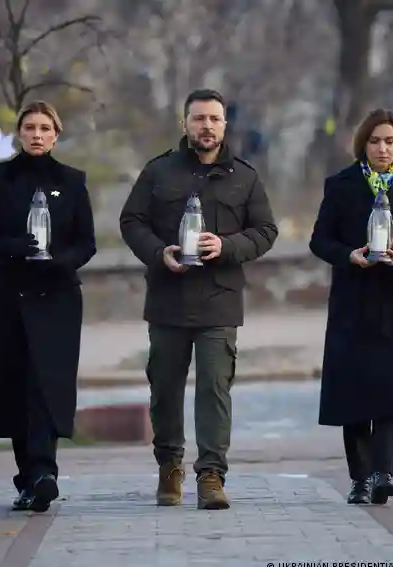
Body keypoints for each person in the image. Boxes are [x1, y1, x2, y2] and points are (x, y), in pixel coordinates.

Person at [119, 88, 278, 510]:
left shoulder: (245, 176)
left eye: (214, 119)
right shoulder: (158, 171)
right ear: (185, 123)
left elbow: (266, 231)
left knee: (214, 389)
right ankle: (169, 467)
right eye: (199, 118)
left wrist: (226, 246)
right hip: (168, 299)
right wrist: (159, 252)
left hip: (219, 300)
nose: (207, 126)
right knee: (165, 390)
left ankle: (211, 475)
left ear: (225, 125)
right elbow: (131, 221)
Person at [0, 100, 96, 512]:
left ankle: (43, 472)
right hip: (8, 296)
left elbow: (86, 243)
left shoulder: (72, 181)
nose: (37, 134)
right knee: (15, 385)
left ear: (56, 135)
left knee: (46, 385)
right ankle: (30, 478)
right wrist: (14, 247)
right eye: (30, 127)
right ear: (19, 133)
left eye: (45, 128)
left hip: (56, 297)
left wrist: (61, 261)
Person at [309, 109, 393, 506]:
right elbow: (319, 240)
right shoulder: (341, 185)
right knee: (353, 391)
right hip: (352, 300)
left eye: (390, 141)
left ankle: (383, 473)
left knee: (389, 390)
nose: (383, 148)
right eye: (376, 141)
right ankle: (359, 478)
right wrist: (348, 255)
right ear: (363, 144)